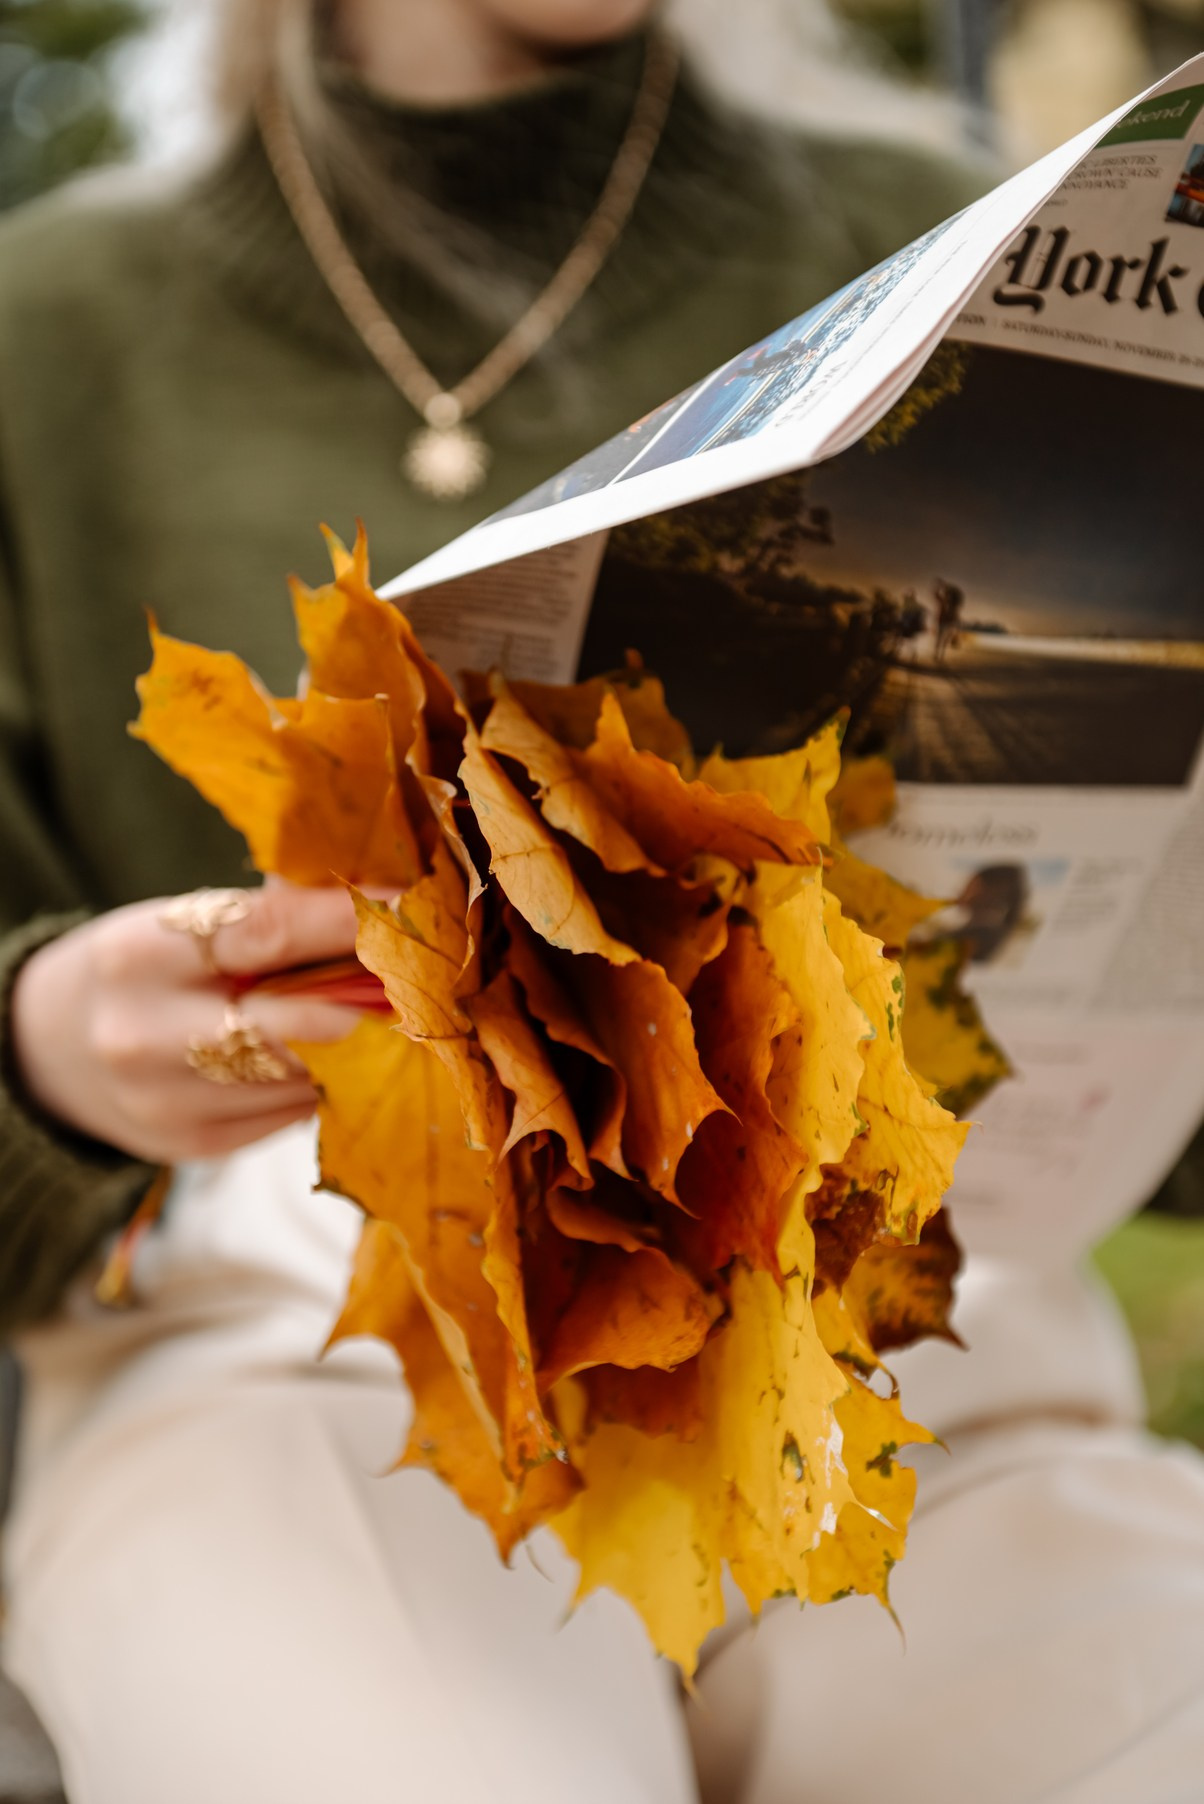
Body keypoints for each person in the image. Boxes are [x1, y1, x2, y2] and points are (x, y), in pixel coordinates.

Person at [2, 4, 1202, 1802]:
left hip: (921, 1388)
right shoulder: (53, 329)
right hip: (304, 1363)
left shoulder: (958, 241)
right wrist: (36, 1051)